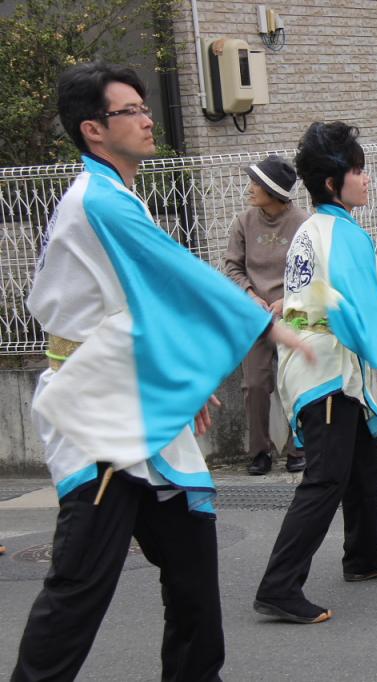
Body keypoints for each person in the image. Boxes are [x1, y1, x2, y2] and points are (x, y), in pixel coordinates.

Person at [12, 62, 310, 682]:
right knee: (81, 583)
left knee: (193, 570)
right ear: (94, 129)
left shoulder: (115, 194)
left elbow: (141, 305)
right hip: (100, 416)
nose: (149, 119)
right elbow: (177, 274)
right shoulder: (97, 200)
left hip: (137, 401)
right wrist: (265, 324)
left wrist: (174, 383)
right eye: (131, 111)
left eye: (147, 107)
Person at [253, 121, 377, 625]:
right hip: (322, 364)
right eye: (356, 170)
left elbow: (328, 297)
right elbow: (363, 305)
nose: (366, 178)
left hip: (319, 358)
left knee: (362, 460)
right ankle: (278, 586)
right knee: (325, 478)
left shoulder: (313, 227)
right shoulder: (340, 232)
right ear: (333, 183)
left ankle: (364, 555)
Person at [224, 155, 310, 475]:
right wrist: (248, 294)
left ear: (274, 190)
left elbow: (312, 270)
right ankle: (260, 451)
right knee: (255, 384)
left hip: (294, 313)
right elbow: (231, 265)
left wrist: (287, 300)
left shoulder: (303, 223)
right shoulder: (243, 221)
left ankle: (297, 446)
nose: (250, 189)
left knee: (295, 382)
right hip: (255, 316)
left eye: (256, 184)